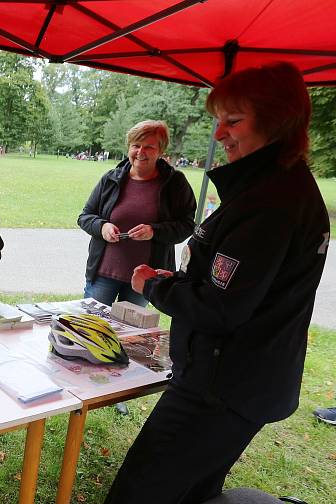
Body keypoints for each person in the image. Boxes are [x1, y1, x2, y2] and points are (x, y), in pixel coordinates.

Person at [105, 62, 329, 504]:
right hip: (235, 379)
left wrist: (154, 286)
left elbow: (222, 309)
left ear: (276, 120)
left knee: (139, 490)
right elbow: (241, 283)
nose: (219, 134)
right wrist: (185, 280)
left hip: (222, 388)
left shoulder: (272, 202)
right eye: (218, 120)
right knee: (191, 490)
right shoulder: (270, 188)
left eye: (233, 120)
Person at [78, 120, 196, 308]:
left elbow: (187, 225)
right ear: (129, 147)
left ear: (161, 151)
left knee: (131, 334)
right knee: (91, 331)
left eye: (149, 147)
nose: (141, 152)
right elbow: (85, 216)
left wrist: (154, 231)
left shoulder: (175, 183)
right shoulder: (111, 178)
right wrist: (102, 226)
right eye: (136, 145)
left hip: (145, 280)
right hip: (103, 274)